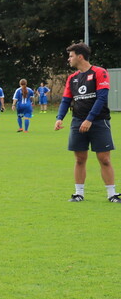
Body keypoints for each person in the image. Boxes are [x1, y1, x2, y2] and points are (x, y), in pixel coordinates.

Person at [54, 42, 117, 203]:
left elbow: (102, 98)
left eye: (71, 56)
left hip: (99, 121)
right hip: (77, 122)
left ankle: (112, 194)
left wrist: (89, 119)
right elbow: (66, 100)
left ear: (80, 56)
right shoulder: (72, 78)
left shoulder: (99, 72)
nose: (69, 59)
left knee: (104, 159)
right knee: (80, 159)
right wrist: (59, 118)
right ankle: (78, 193)